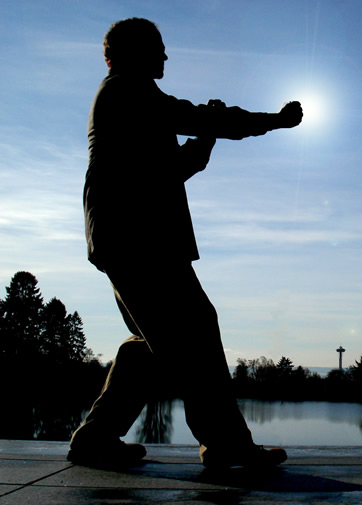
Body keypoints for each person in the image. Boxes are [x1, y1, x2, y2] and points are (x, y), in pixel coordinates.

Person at [68, 17, 302, 469]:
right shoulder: (127, 90)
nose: (166, 56)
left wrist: (207, 134)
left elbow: (175, 167)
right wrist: (274, 120)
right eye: (158, 47)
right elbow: (196, 116)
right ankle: (225, 442)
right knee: (195, 326)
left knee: (152, 342)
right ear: (133, 53)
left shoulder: (133, 98)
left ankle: (95, 438)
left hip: (132, 238)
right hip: (138, 240)